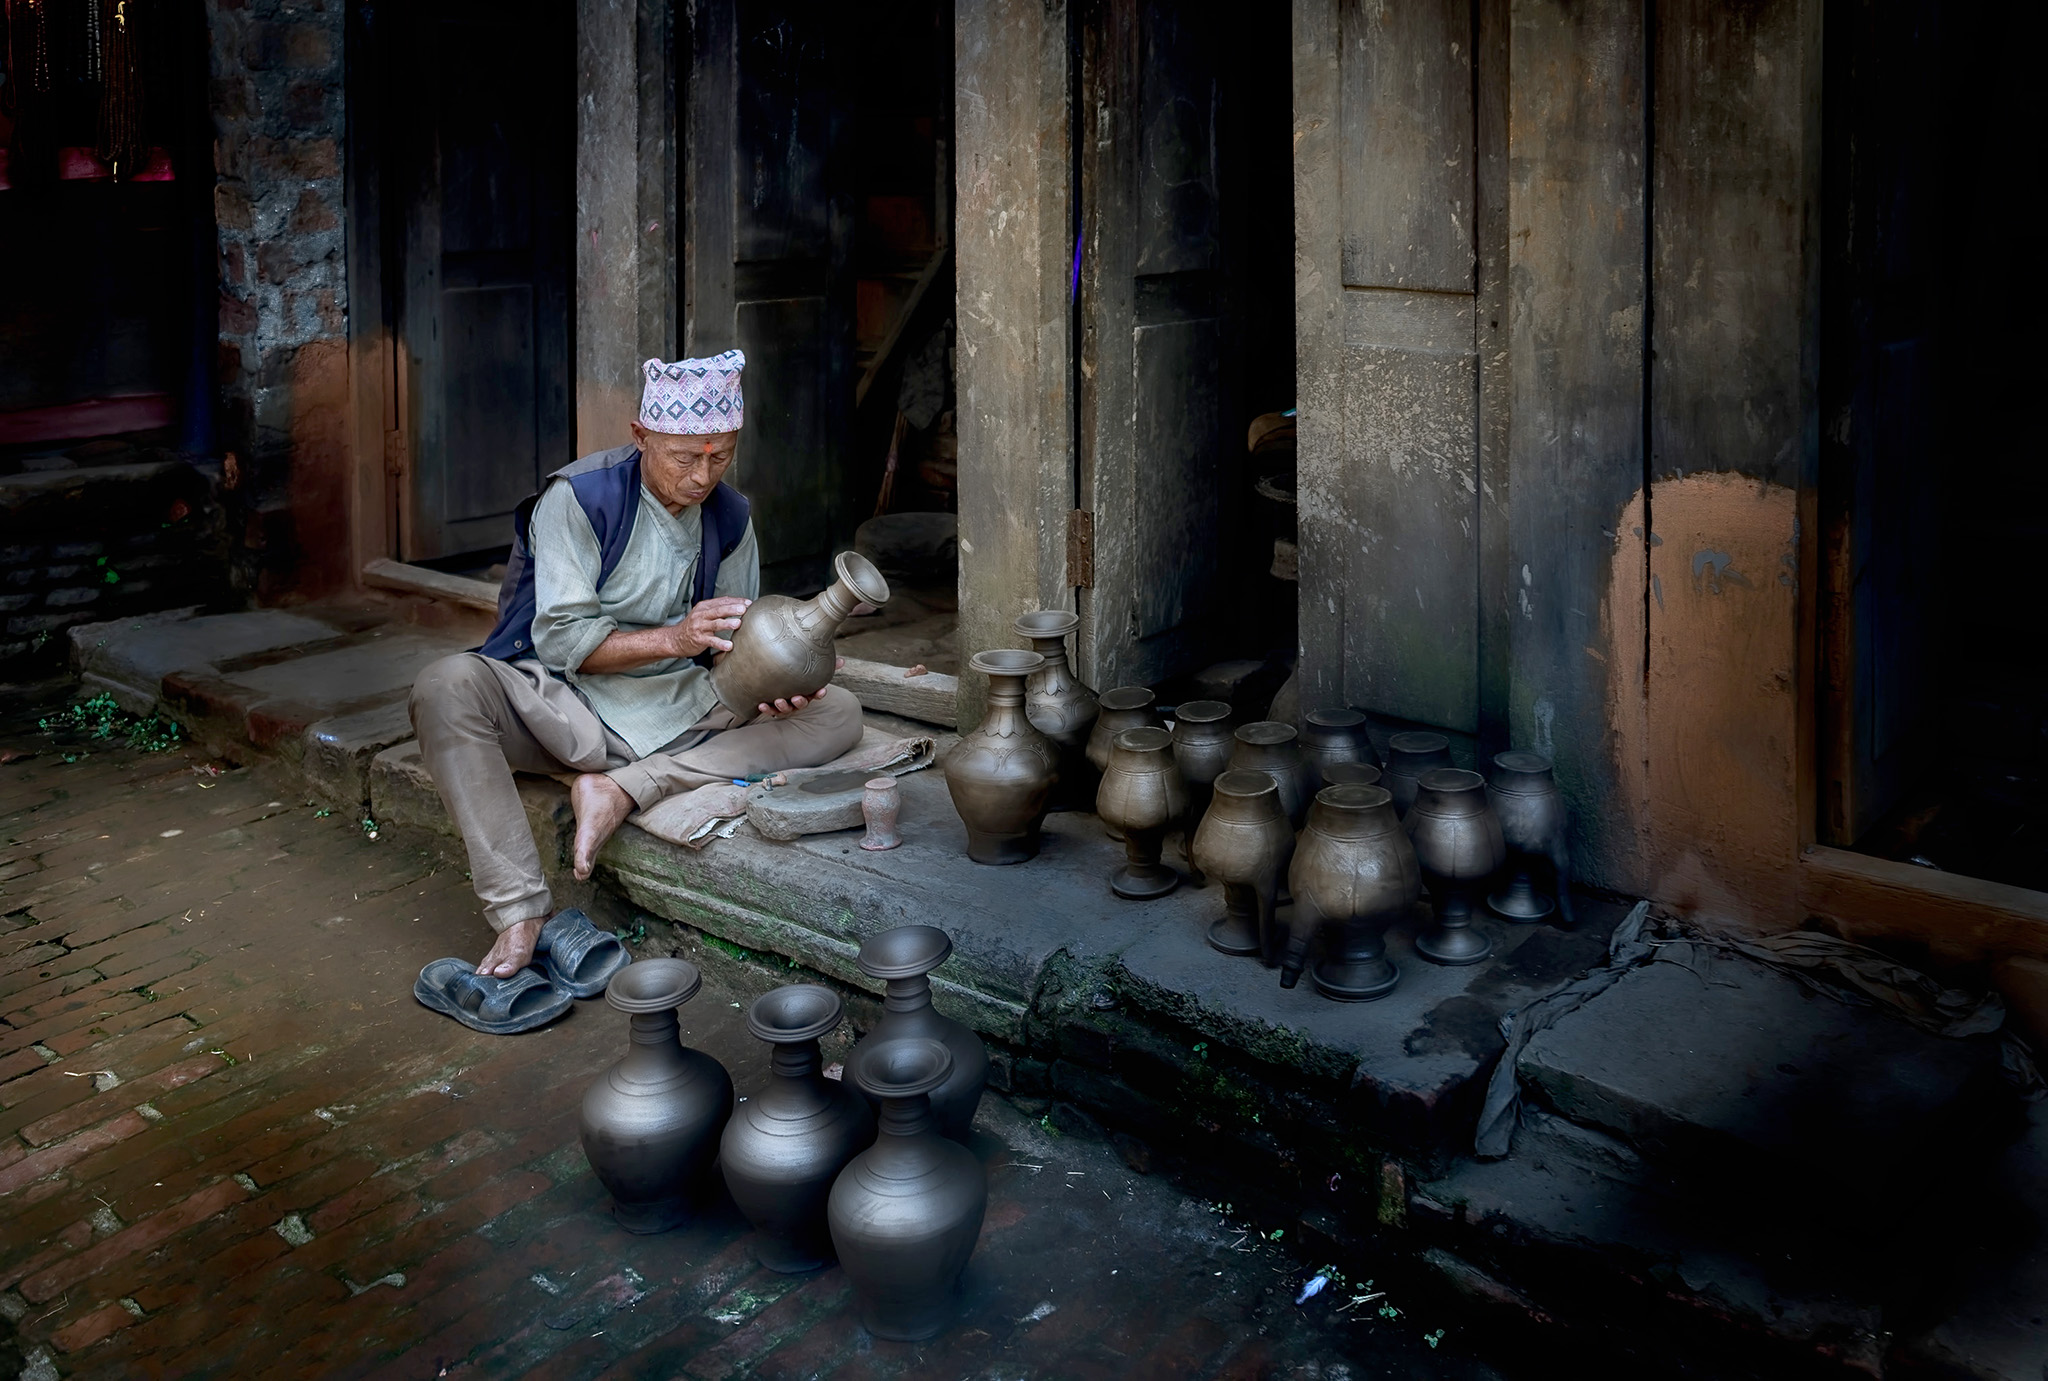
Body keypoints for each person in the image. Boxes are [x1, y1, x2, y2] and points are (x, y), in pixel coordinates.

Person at [408, 351, 863, 983]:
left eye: (720, 455)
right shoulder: (580, 499)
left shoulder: (731, 517)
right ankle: (517, 911)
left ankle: (624, 788)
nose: (703, 476)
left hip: (680, 711)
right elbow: (567, 644)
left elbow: (734, 643)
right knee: (446, 685)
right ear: (641, 436)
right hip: (562, 702)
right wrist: (676, 638)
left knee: (837, 713)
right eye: (684, 457)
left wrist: (774, 685)